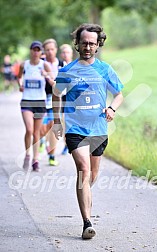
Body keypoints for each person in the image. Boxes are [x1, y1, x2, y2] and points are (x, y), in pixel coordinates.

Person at [52, 23, 124, 239]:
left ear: (98, 45)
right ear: (78, 44)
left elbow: (119, 94)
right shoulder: (67, 71)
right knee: (83, 169)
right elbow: (57, 95)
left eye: (92, 43)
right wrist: (57, 121)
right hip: (75, 128)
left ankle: (84, 195)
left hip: (99, 129)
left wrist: (112, 108)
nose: (88, 47)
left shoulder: (105, 69)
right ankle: (87, 223)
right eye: (84, 43)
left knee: (91, 176)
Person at [18, 40, 54, 172]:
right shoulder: (24, 65)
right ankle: (28, 155)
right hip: (27, 101)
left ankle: (35, 160)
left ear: (41, 52)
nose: (36, 52)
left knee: (36, 132)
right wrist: (20, 85)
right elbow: (19, 77)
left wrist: (46, 76)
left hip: (40, 102)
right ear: (31, 51)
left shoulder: (45, 66)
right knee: (29, 129)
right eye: (34, 49)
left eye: (38, 50)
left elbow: (53, 83)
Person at [40, 38, 64, 166]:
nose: (49, 52)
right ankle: (42, 140)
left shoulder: (61, 64)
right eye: (47, 50)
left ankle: (52, 155)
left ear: (56, 50)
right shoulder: (40, 64)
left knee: (54, 126)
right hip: (41, 99)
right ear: (44, 51)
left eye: (52, 49)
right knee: (42, 129)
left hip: (56, 98)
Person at [59, 44, 74, 155]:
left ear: (71, 54)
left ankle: (68, 144)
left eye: (67, 52)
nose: (65, 54)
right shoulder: (58, 66)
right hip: (61, 97)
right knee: (63, 121)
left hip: (73, 97)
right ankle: (66, 144)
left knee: (71, 121)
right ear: (61, 54)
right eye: (63, 52)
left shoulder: (76, 66)